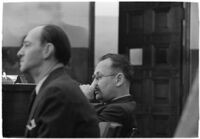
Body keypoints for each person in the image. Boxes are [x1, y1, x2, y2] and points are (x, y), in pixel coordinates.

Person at [17, 24, 99, 137]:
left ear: (47, 50)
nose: (19, 53)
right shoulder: (50, 88)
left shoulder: (57, 93)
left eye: (27, 45)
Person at [80, 53, 137, 137]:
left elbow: (83, 134)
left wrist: (81, 99)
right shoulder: (118, 104)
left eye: (98, 77)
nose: (93, 85)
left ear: (119, 79)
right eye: (94, 78)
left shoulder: (118, 110)